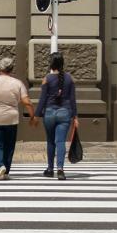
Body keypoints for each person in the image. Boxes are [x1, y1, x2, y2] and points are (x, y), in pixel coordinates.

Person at [0, 57, 37, 180]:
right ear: (11, 69)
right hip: (12, 118)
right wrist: (32, 116)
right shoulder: (17, 83)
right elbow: (27, 102)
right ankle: (6, 171)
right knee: (9, 145)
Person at [35, 52, 77, 180]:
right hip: (65, 113)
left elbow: (42, 99)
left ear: (51, 64)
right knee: (60, 142)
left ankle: (49, 169)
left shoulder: (47, 78)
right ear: (62, 63)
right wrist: (75, 117)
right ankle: (60, 169)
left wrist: (36, 115)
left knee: (50, 141)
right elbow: (72, 99)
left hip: (49, 113)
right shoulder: (70, 78)